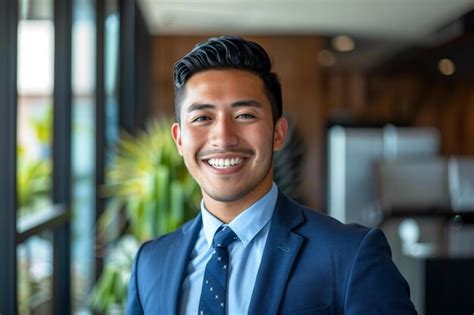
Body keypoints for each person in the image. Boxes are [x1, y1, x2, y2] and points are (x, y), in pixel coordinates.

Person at [127, 35, 417, 315]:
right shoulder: (150, 263)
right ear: (179, 140)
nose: (224, 138)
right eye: (202, 118)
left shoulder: (349, 255)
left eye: (245, 116)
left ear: (278, 133)